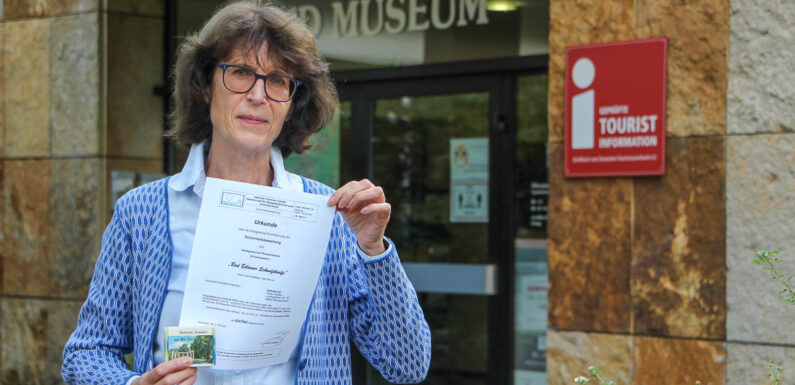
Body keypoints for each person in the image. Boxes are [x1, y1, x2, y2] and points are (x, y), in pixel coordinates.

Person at [61, 2, 431, 384]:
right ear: (205, 87)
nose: (259, 95)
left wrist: (374, 250)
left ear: (291, 104)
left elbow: (406, 365)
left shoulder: (329, 217)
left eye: (277, 81)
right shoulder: (142, 213)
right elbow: (87, 352)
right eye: (240, 73)